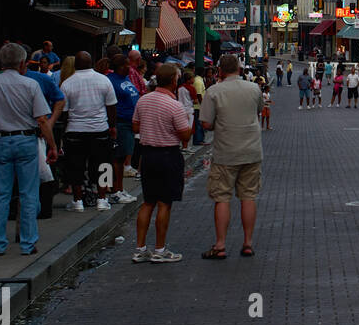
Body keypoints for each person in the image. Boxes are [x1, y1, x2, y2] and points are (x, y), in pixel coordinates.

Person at [0, 43, 58, 256]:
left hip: (0, 141)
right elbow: (42, 119)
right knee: (28, 194)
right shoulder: (30, 85)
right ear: (23, 63)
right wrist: (52, 146)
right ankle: (27, 243)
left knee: (1, 194)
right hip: (26, 140)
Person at [200, 54, 264, 259]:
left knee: (222, 198)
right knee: (248, 197)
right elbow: (259, 110)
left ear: (220, 70)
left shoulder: (213, 92)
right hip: (251, 150)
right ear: (239, 68)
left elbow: (206, 124)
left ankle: (220, 245)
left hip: (225, 152)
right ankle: (247, 243)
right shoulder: (254, 88)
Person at [131, 64, 192, 264]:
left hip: (147, 155)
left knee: (148, 201)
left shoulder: (144, 100)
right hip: (168, 155)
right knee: (165, 202)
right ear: (174, 81)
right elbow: (184, 134)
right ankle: (160, 249)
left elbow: (135, 125)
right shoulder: (174, 105)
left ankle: (140, 249)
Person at [59, 51, 118, 212]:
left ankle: (77, 201)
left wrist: (65, 131)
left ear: (75, 65)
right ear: (91, 62)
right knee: (103, 165)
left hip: (75, 131)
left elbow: (64, 112)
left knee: (75, 166)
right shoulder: (103, 80)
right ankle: (102, 199)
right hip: (99, 129)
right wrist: (112, 126)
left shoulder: (67, 84)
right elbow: (111, 107)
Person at [107, 54, 140, 205]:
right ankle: (115, 190)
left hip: (128, 123)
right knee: (116, 158)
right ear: (120, 66)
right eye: (127, 65)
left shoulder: (125, 79)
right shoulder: (111, 81)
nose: (129, 67)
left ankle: (119, 189)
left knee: (122, 157)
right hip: (119, 123)